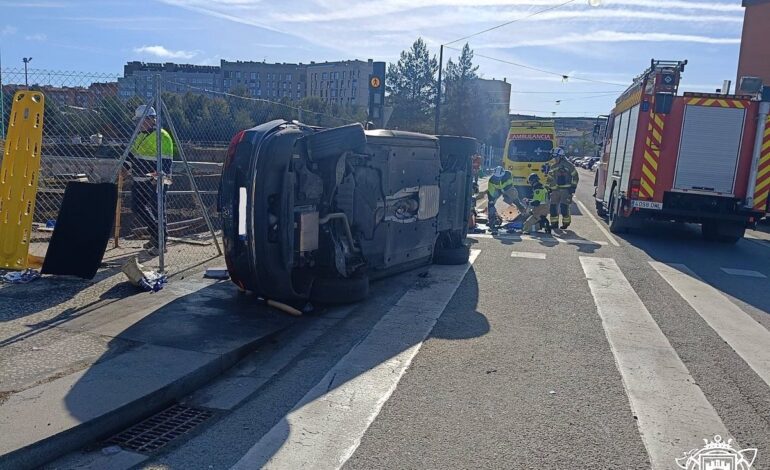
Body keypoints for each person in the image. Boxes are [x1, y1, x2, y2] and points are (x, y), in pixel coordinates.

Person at [125, 105, 174, 256]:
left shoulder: (162, 136)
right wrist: (125, 167)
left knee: (157, 209)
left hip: (156, 181)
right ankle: (156, 235)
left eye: (140, 120)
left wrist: (159, 177)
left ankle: (161, 242)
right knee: (137, 207)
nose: (138, 124)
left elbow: (166, 161)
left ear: (150, 119)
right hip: (140, 179)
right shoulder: (139, 135)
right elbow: (132, 155)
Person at [545, 147, 578, 230]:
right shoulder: (553, 166)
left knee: (564, 208)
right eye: (554, 157)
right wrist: (548, 188)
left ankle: (565, 223)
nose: (554, 159)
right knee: (553, 207)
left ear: (561, 156)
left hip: (566, 191)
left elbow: (575, 176)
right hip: (555, 190)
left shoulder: (569, 165)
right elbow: (549, 178)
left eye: (556, 157)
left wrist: (573, 187)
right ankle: (554, 224)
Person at [487, 166, 526, 234]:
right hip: (497, 189)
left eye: (499, 177)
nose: (498, 179)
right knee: (491, 203)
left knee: (514, 196)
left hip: (507, 188)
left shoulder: (508, 174)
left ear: (503, 174)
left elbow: (510, 184)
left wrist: (505, 193)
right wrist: (491, 200)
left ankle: (523, 213)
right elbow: (490, 191)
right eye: (496, 177)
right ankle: (491, 219)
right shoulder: (491, 180)